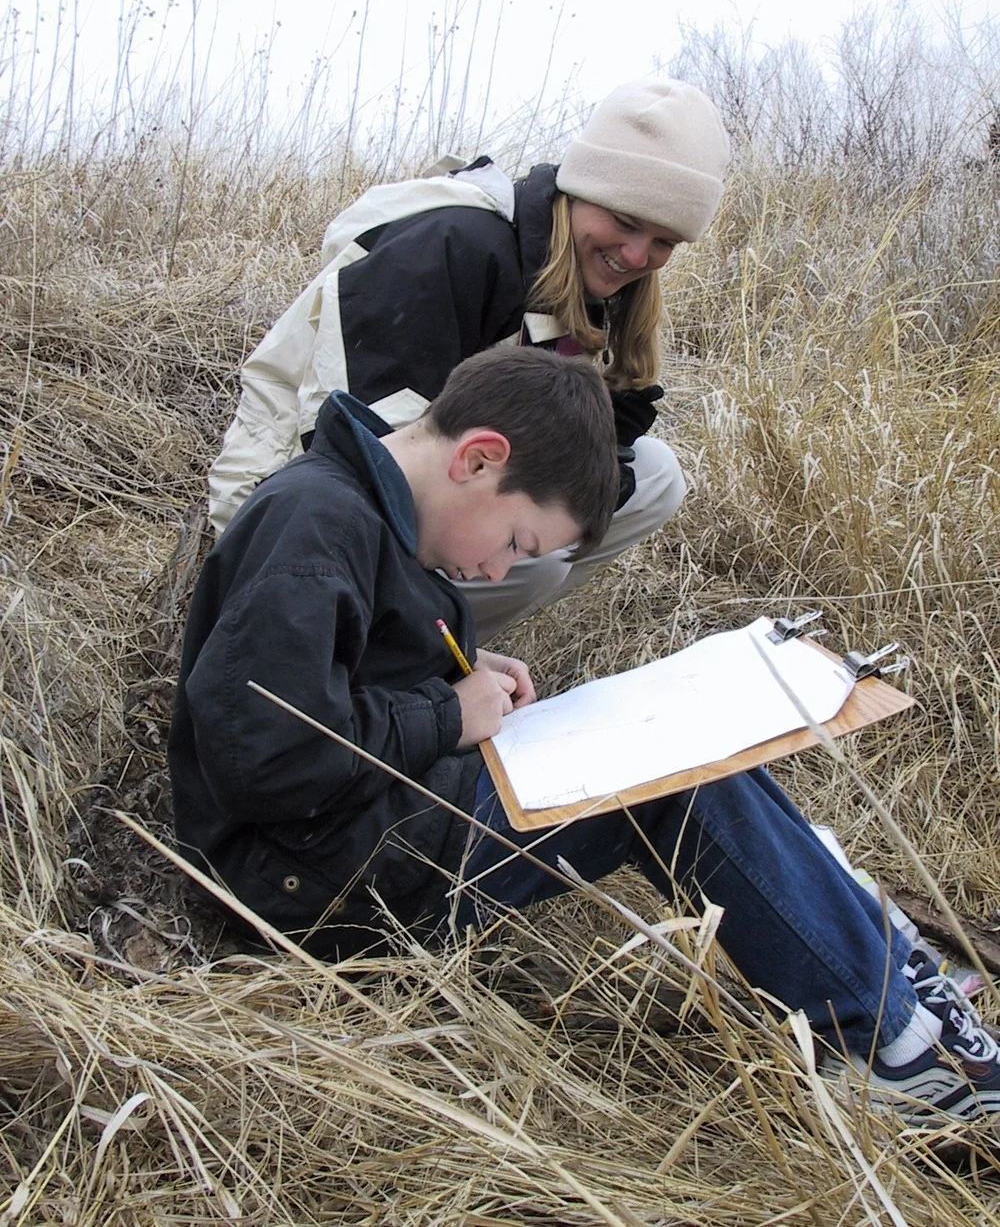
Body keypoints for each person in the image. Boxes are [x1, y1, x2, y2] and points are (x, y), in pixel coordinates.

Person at [172, 346, 1000, 1130]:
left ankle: (882, 973)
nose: (501, 574)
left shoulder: (369, 512)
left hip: (348, 831)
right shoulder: (315, 527)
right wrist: (445, 715)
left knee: (685, 742)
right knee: (668, 777)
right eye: (518, 545)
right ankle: (886, 1047)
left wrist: (448, 675)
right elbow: (265, 755)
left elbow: (336, 675)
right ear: (478, 459)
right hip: (298, 880)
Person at [207, 78, 731, 641]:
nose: (636, 256)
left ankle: (433, 628)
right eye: (626, 221)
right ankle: (394, 657)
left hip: (436, 485)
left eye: (664, 242)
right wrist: (507, 537)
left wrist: (601, 436)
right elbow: (348, 447)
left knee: (655, 476)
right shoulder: (449, 246)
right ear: (580, 190)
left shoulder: (583, 276)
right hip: (292, 516)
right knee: (535, 565)